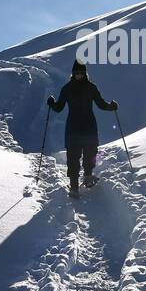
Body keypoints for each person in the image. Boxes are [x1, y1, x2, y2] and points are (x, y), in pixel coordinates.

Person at [47, 59, 118, 197]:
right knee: (73, 157)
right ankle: (74, 187)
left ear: (85, 73)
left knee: (90, 154)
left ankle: (88, 177)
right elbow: (59, 107)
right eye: (76, 72)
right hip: (75, 128)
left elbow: (101, 104)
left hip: (88, 127)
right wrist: (52, 103)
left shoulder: (91, 87)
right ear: (72, 73)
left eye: (81, 72)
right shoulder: (67, 89)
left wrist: (111, 106)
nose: (79, 75)